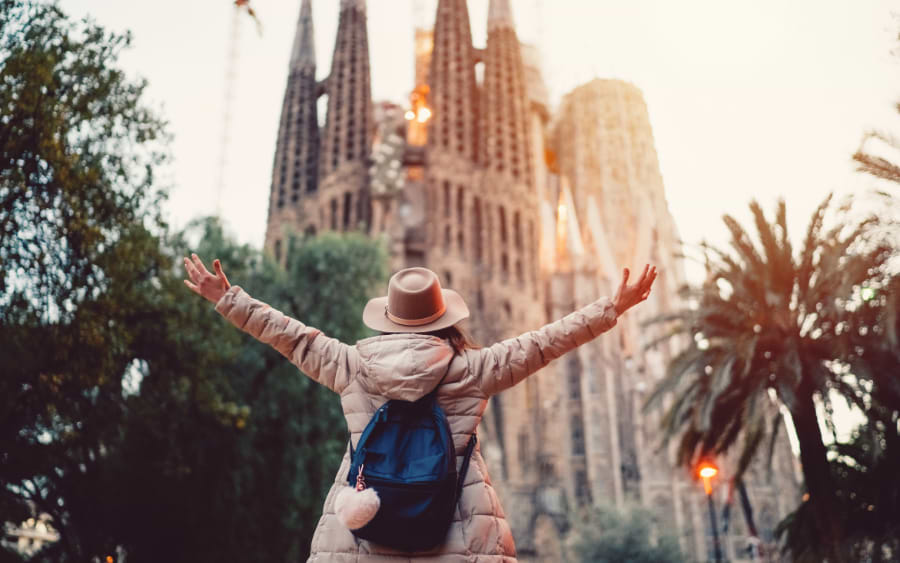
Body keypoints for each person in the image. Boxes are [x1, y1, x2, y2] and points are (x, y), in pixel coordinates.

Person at [183, 254, 657, 562]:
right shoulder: (473, 369)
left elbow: (292, 337)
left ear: (388, 322)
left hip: (364, 530)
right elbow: (545, 343)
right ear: (444, 320)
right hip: (458, 533)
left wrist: (228, 298)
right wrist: (612, 307)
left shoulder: (352, 366)